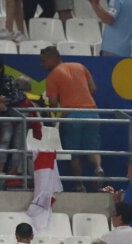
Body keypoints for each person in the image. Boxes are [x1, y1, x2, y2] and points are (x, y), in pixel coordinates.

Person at [40, 46, 103, 182]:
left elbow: (53, 102)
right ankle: (98, 167)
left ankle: (79, 184)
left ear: (52, 58)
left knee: (73, 154)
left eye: (43, 61)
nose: (42, 64)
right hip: (92, 113)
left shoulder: (52, 76)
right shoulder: (80, 66)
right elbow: (93, 88)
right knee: (92, 147)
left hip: (72, 116)